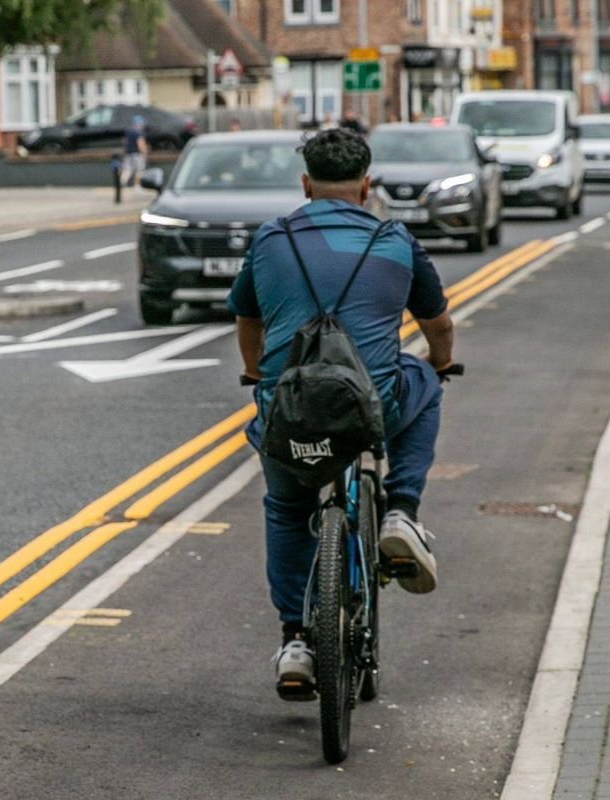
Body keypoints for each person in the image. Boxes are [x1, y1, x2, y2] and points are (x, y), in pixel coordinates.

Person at [227, 129, 456, 699]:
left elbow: (248, 321)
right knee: (425, 378)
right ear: (367, 185)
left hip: (292, 408)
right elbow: (438, 326)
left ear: (306, 185)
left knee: (286, 508)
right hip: (373, 405)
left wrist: (258, 375)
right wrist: (444, 362)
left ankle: (297, 641)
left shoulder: (273, 238)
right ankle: (401, 510)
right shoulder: (394, 237)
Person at [122, 115, 149, 194]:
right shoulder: (139, 133)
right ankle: (137, 186)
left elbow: (125, 143)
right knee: (139, 171)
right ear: (139, 124)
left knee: (127, 170)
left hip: (129, 154)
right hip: (137, 154)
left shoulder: (129, 132)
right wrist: (144, 153)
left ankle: (121, 184)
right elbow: (141, 144)